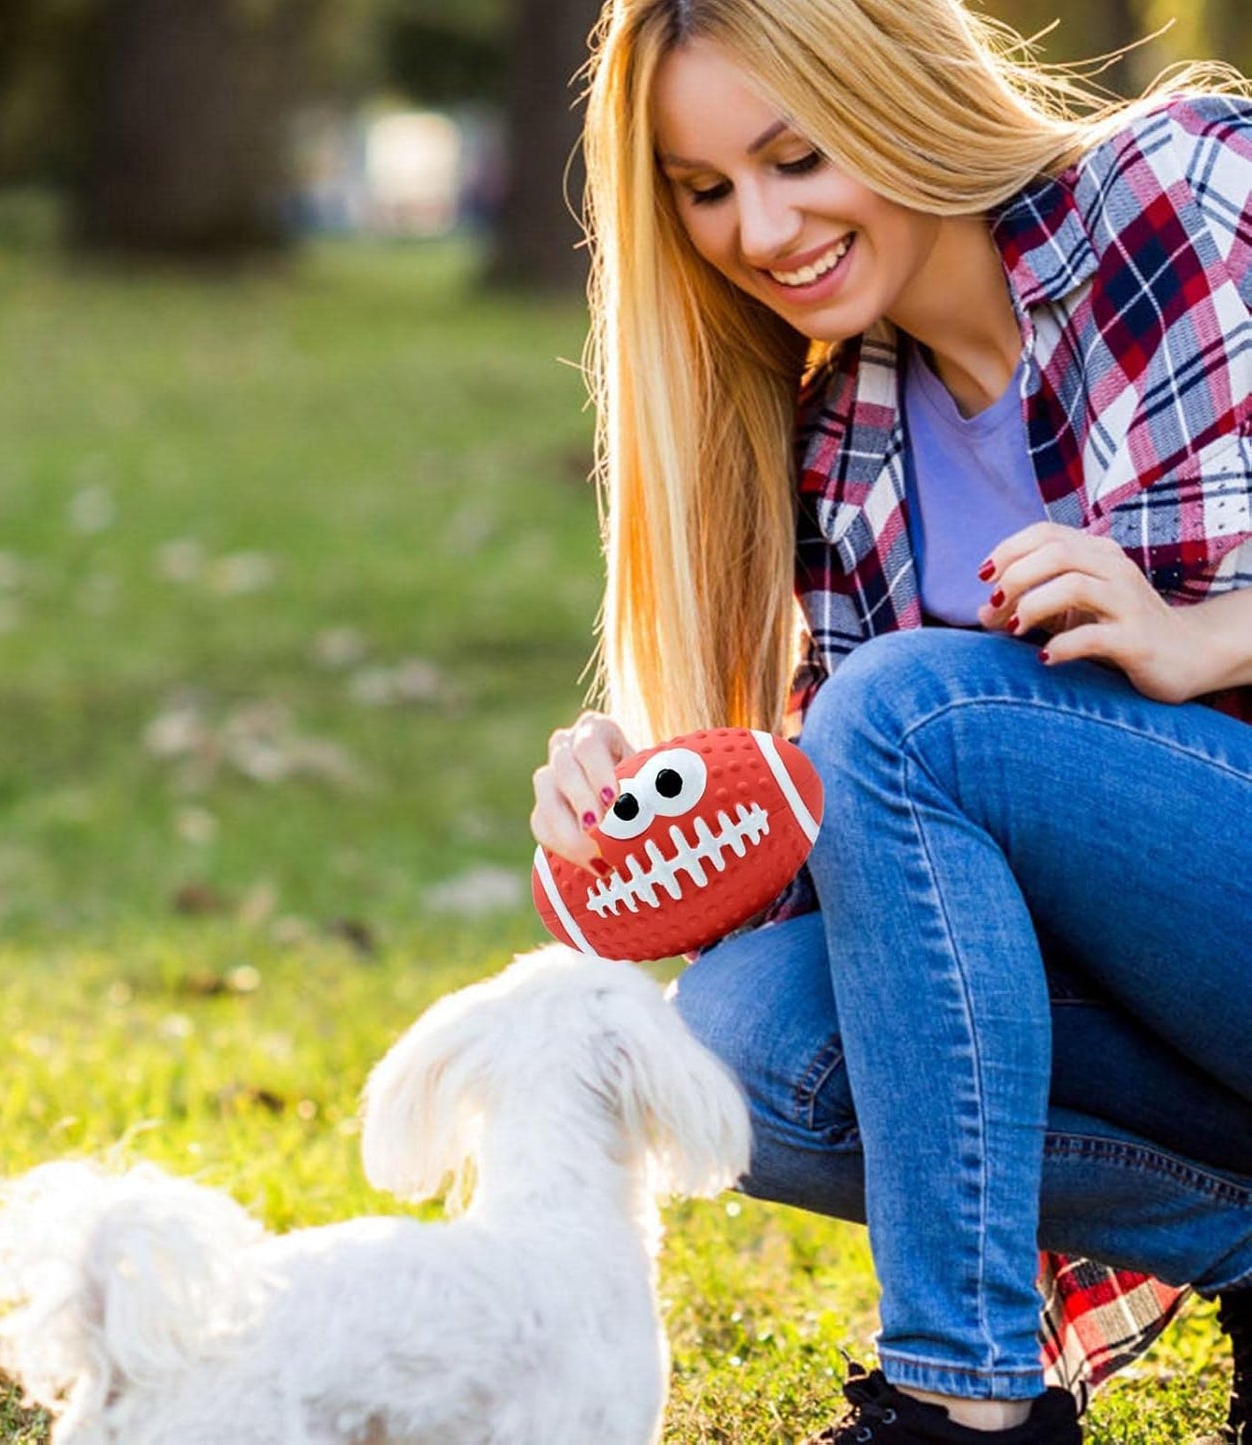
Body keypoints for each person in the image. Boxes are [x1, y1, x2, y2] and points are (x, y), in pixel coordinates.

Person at [528, 2, 1252, 1441]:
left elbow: (904, 730)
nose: (760, 227)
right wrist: (654, 813)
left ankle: (957, 1400)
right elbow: (887, 889)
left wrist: (1204, 633)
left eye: (796, 156)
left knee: (909, 707)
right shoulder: (844, 447)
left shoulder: (1184, 186)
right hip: (1188, 1014)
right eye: (707, 189)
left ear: (892, 88)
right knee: (745, 1042)